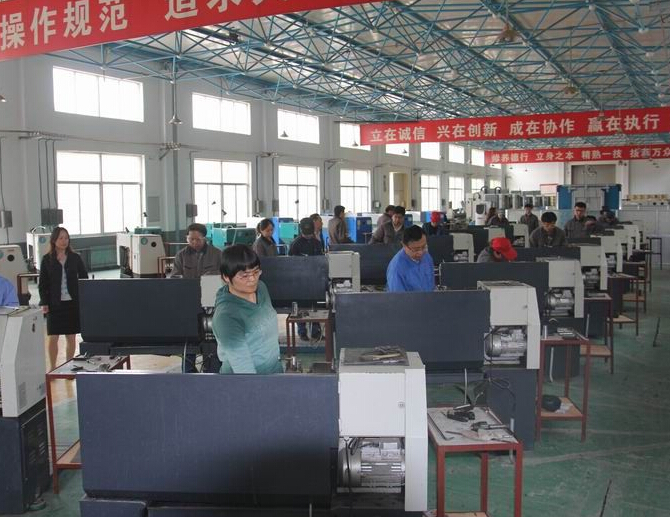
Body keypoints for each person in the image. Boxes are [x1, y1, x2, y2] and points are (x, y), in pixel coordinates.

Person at [212, 245, 283, 374]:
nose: (252, 279)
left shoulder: (261, 288)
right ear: (226, 277)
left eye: (256, 272)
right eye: (244, 276)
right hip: (246, 380)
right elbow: (244, 370)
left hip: (274, 372)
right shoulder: (226, 316)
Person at [38, 227, 88, 371]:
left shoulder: (75, 258)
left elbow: (84, 277)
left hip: (72, 304)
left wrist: (83, 298)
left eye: (66, 238)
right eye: (60, 238)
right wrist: (44, 302)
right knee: (53, 337)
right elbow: (42, 284)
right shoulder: (47, 259)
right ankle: (53, 367)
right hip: (54, 304)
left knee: (71, 337)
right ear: (54, 240)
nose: (64, 241)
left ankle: (69, 365)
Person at [289, 218, 323, 341]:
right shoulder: (295, 244)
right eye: (306, 234)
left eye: (310, 233)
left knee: (315, 307)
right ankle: (302, 331)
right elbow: (290, 263)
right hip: (299, 281)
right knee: (301, 307)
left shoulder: (317, 243)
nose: (308, 236)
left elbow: (321, 260)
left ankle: (316, 331)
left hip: (314, 280)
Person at [386, 225, 435, 292]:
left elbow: (431, 286)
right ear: (404, 245)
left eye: (424, 247)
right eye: (416, 249)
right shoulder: (396, 269)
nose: (421, 252)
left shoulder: (427, 257)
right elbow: (398, 297)